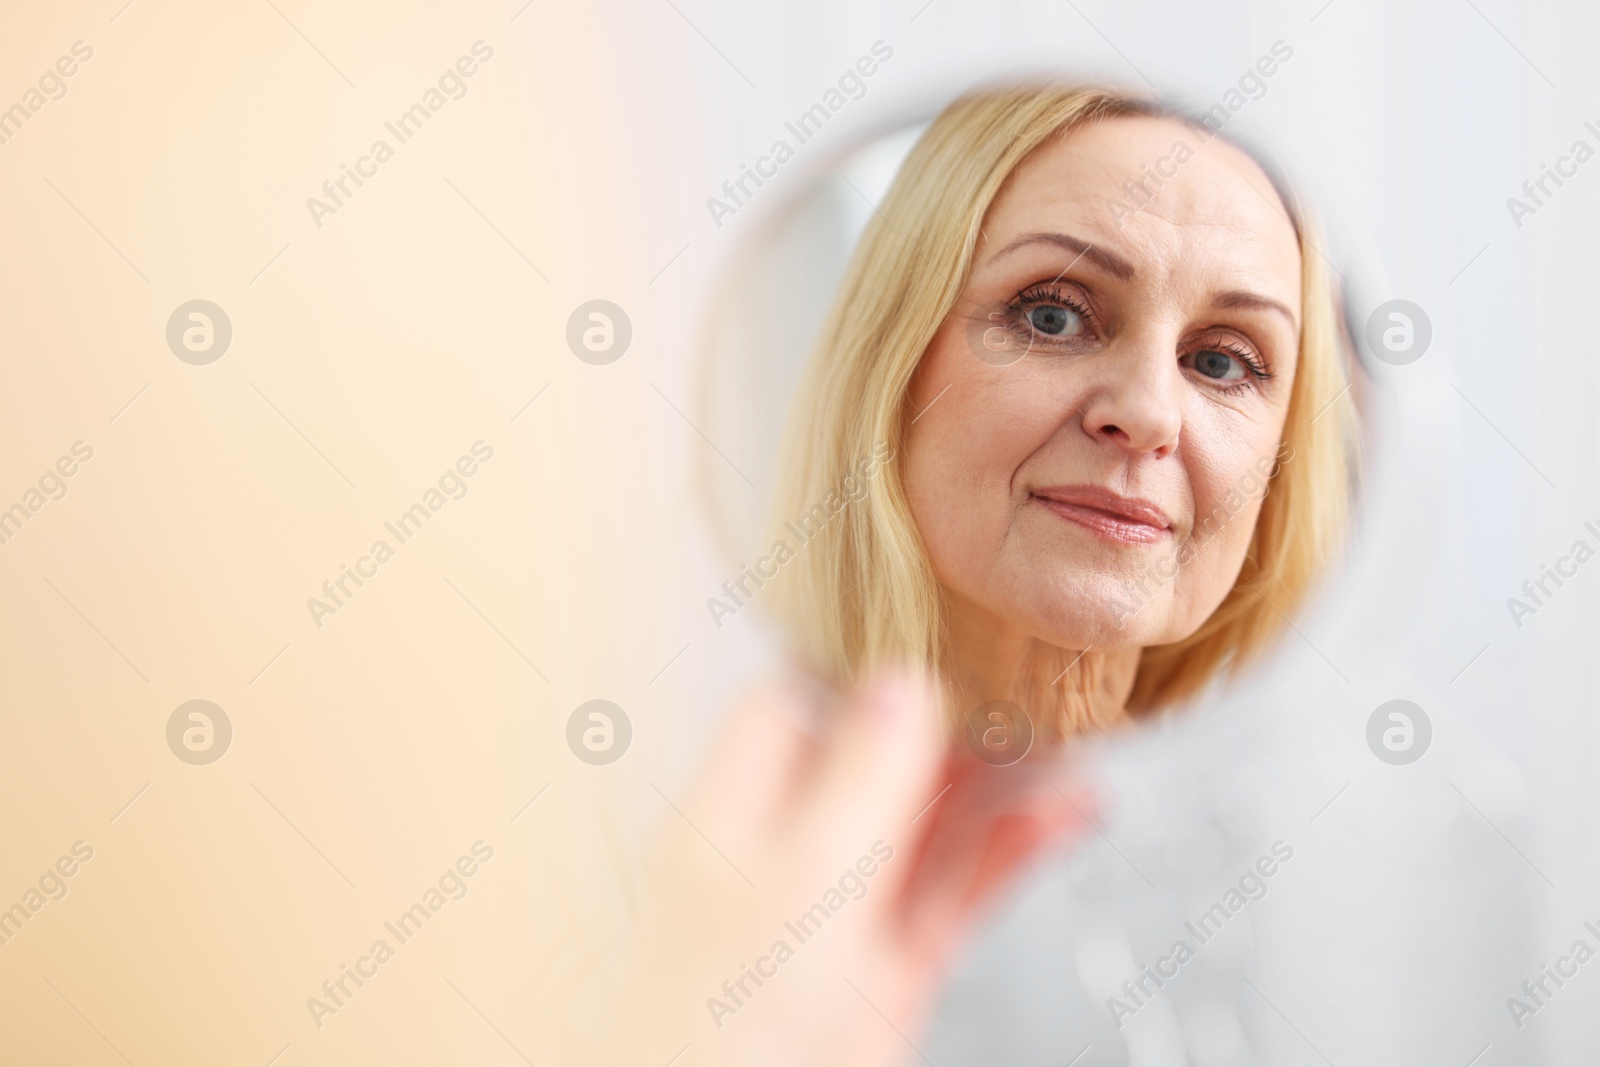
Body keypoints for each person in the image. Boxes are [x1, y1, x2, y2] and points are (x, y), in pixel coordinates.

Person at [599, 83, 1358, 1067]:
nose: (1148, 414)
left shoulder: (1332, 886)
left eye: (1221, 361)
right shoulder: (682, 851)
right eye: (1052, 314)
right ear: (892, 366)